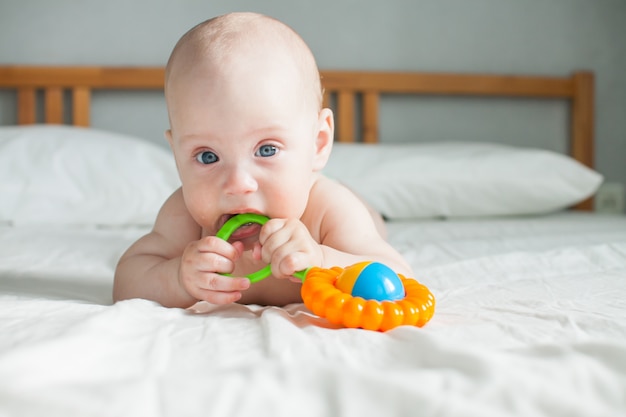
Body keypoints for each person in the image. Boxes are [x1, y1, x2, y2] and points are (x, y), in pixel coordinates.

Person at [113, 12, 412, 308]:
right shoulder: (185, 218)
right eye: (208, 157)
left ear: (318, 143)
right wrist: (176, 278)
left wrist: (323, 258)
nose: (237, 184)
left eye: (266, 150)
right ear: (178, 157)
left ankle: (372, 212)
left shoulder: (327, 210)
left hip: (343, 211)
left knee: (365, 221)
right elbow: (126, 283)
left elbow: (400, 278)